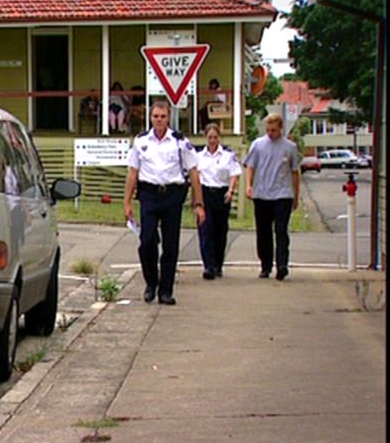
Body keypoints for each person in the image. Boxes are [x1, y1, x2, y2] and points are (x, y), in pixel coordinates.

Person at [123, 100, 206, 305]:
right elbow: (133, 173)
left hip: (172, 195)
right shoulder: (141, 141)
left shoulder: (179, 142)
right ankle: (151, 283)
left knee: (170, 245)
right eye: (155, 116)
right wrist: (127, 203)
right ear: (150, 118)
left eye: (162, 116)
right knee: (147, 241)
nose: (159, 120)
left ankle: (166, 290)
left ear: (168, 118)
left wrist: (199, 203)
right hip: (149, 194)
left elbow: (194, 172)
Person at [243, 113, 300, 281]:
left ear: (280, 129)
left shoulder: (290, 147)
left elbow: (295, 172)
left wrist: (296, 195)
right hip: (262, 194)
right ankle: (265, 265)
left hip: (282, 194)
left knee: (281, 230)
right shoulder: (258, 145)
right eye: (268, 130)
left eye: (274, 130)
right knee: (263, 232)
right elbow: (250, 166)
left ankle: (282, 264)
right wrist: (248, 185)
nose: (270, 133)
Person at [196, 123, 242, 280]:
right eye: (210, 137)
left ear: (219, 138)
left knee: (220, 231)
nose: (213, 140)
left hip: (221, 194)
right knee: (205, 230)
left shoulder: (227, 155)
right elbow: (195, 176)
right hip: (205, 193)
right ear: (206, 138)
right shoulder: (199, 156)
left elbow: (234, 173)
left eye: (215, 137)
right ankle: (208, 266)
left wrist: (231, 190)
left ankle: (218, 264)